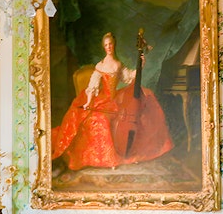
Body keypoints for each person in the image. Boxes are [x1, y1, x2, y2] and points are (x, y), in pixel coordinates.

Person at [51, 31, 173, 170]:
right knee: (101, 118)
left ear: (114, 46)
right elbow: (92, 86)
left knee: (139, 107)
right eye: (106, 45)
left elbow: (129, 77)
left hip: (116, 98)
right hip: (103, 99)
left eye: (110, 44)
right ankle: (108, 159)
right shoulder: (100, 65)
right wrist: (88, 102)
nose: (108, 47)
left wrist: (141, 63)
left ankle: (131, 150)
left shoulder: (118, 64)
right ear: (104, 47)